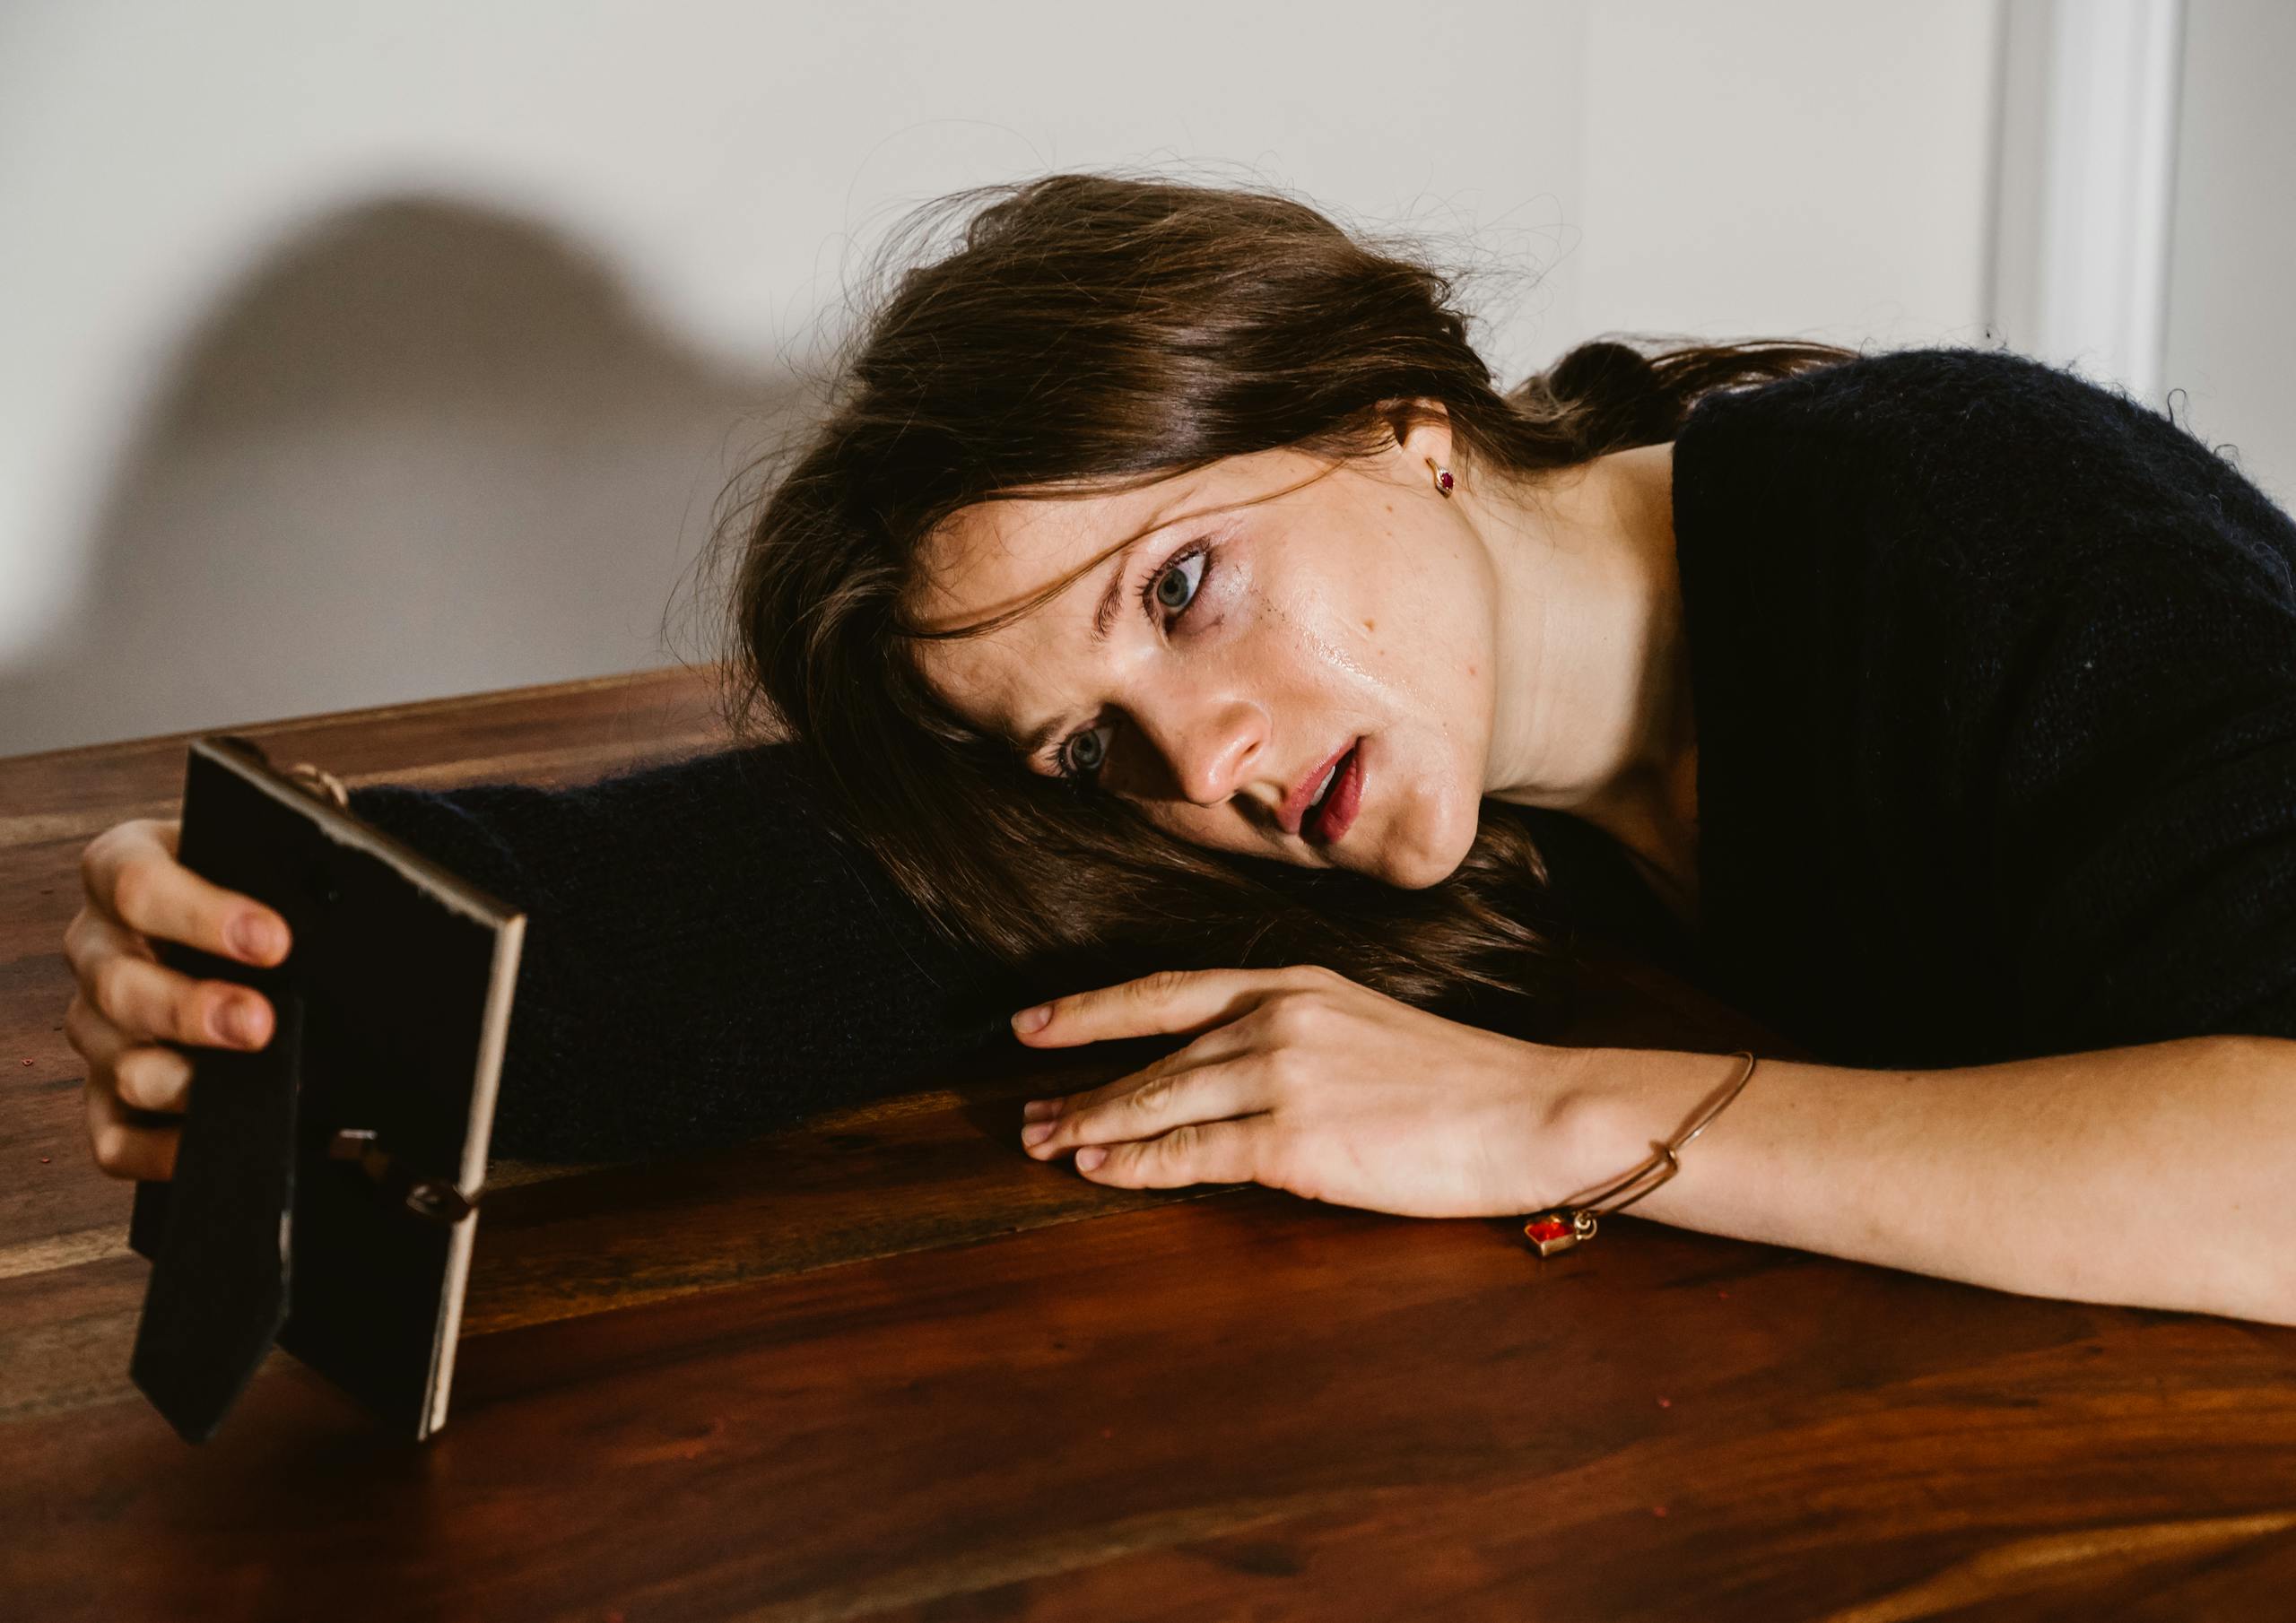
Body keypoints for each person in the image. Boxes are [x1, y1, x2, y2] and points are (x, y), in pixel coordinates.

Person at [60, 173, 2296, 1325]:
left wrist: (1541, 1118)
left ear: (1397, 417)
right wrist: (297, 938)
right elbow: (811, 892)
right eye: (1085, 747)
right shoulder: (1335, 785)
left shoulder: (1959, 507)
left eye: (1179, 586)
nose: (1196, 755)